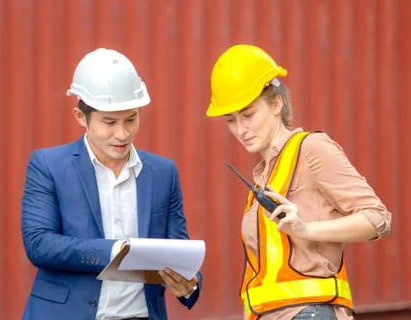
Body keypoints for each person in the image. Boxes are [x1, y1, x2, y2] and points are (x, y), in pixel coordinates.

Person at [206, 44, 391, 320]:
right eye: (230, 120)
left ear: (276, 103)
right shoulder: (262, 176)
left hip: (311, 312)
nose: (241, 130)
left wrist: (307, 229)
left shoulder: (312, 149)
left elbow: (378, 218)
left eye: (248, 115)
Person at [21, 48, 201, 320]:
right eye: (109, 122)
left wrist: (189, 282)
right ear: (81, 117)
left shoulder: (163, 172)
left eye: (131, 119)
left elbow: (177, 248)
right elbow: (39, 244)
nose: (123, 133)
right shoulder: (48, 165)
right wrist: (117, 251)